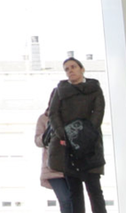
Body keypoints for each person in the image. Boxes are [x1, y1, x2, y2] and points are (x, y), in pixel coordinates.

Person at [48, 58, 107, 213]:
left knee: (94, 190)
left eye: (73, 67)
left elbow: (98, 113)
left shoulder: (94, 88)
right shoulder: (60, 90)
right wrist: (65, 135)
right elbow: (53, 114)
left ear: (82, 69)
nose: (70, 70)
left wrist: (85, 135)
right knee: (75, 192)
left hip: (90, 146)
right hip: (68, 148)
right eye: (66, 69)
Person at [35, 100, 72, 213]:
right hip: (52, 168)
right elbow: (37, 141)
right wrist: (48, 135)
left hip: (71, 166)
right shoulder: (44, 118)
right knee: (65, 200)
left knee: (74, 200)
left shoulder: (71, 117)